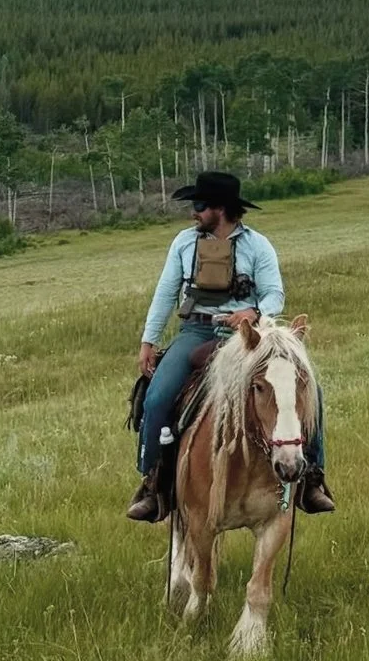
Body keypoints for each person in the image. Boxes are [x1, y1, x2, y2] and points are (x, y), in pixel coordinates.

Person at [127, 170, 335, 522]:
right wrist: (149, 340)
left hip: (249, 338)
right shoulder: (183, 243)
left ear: (219, 208)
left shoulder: (258, 245)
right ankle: (154, 481)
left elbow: (274, 294)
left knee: (310, 391)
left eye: (199, 204)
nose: (193, 211)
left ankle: (312, 476)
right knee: (157, 396)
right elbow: (165, 294)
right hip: (195, 331)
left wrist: (253, 312)